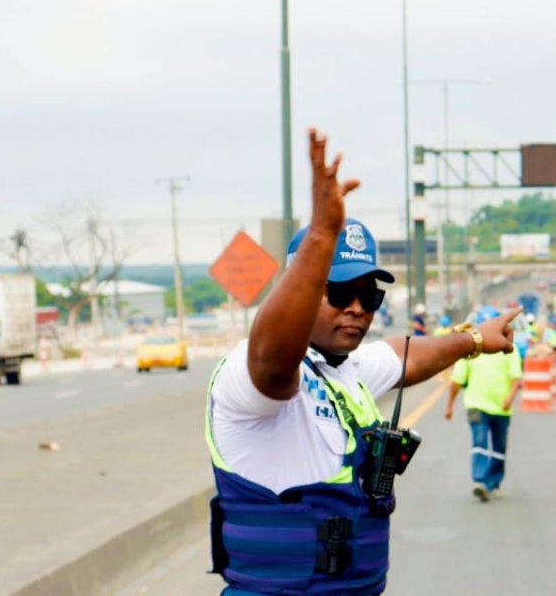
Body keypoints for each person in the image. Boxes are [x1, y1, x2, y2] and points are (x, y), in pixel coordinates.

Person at [205, 127, 519, 596]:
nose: (357, 307)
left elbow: (400, 355)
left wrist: (473, 338)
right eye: (337, 291)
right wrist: (322, 234)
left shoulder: (344, 370)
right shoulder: (250, 379)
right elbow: (271, 357)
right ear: (304, 290)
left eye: (368, 294)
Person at [443, 305, 523, 502]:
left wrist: (510, 398)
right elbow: (457, 379)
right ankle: (479, 481)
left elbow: (516, 378)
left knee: (498, 448)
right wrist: (449, 405)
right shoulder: (472, 349)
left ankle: (493, 483)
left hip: (501, 408)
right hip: (476, 404)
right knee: (479, 442)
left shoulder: (509, 348)